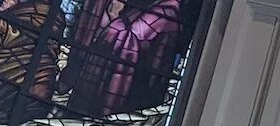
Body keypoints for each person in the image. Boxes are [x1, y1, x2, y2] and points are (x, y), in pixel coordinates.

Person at [59, 0, 200, 118]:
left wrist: (115, 15)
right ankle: (79, 102)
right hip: (136, 9)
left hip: (163, 10)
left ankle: (109, 108)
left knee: (120, 32)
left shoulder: (170, 9)